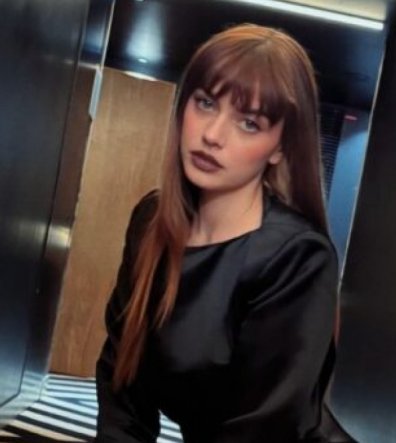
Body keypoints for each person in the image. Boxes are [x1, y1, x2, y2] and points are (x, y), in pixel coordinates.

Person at [95, 23, 354, 443]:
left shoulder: (297, 256)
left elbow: (262, 430)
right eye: (205, 103)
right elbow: (121, 379)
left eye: (249, 123)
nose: (212, 136)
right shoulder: (151, 221)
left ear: (280, 147)